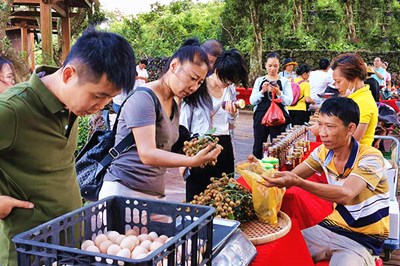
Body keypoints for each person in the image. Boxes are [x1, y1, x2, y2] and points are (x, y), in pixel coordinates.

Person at [0, 29, 136, 265]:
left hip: (69, 244)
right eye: (97, 96)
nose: (100, 106)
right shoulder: (12, 110)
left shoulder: (70, 107)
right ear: (69, 74)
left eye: (108, 99)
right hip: (26, 252)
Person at [262, 97, 389, 266]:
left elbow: (346, 194)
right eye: (320, 124)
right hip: (330, 227)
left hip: (363, 239)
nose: (322, 132)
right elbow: (290, 177)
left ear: (350, 128)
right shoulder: (324, 152)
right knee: (280, 252)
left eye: (329, 126)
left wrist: (299, 182)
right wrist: (259, 171)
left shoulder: (371, 157)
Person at [98, 39, 222, 200]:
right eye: (192, 78)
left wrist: (199, 148)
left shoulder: (174, 103)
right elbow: (147, 154)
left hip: (153, 193)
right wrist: (192, 161)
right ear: (174, 66)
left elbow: (165, 148)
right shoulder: (144, 99)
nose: (194, 87)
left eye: (199, 82)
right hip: (124, 192)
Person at [180, 48, 248, 201]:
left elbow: (230, 126)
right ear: (216, 69)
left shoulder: (229, 89)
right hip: (200, 145)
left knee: (223, 195)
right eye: (225, 79)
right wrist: (183, 159)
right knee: (197, 196)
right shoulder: (198, 87)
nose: (227, 84)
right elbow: (183, 124)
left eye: (231, 81)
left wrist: (232, 114)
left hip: (223, 145)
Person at [310, 53, 378, 146]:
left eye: (339, 81)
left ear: (353, 78)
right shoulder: (353, 97)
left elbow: (351, 143)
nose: (336, 86)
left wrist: (322, 128)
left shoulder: (363, 102)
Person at [250, 52, 293, 159]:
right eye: (270, 66)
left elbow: (289, 101)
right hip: (261, 117)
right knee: (258, 145)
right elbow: (252, 101)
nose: (272, 69)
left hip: (278, 118)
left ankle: (276, 169)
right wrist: (262, 91)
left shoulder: (284, 82)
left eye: (275, 66)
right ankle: (257, 170)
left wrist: (279, 93)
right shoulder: (260, 80)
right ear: (265, 65)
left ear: (279, 66)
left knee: (278, 146)